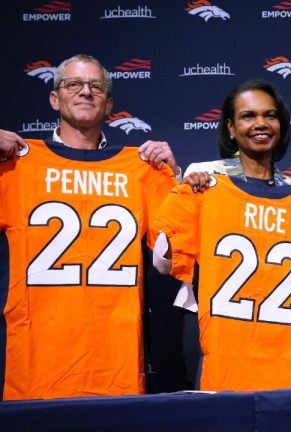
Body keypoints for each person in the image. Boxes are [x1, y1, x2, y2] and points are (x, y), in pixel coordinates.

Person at [0, 54, 179, 400]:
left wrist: (177, 178)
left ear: (109, 104)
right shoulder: (17, 165)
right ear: (55, 98)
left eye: (96, 87)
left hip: (114, 364)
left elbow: (170, 257)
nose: (85, 92)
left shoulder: (142, 169)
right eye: (73, 84)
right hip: (35, 361)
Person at [152, 79, 291, 391]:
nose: (261, 123)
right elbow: (163, 261)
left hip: (279, 335)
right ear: (230, 128)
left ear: (281, 127)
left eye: (270, 115)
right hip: (214, 332)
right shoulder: (205, 180)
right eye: (248, 116)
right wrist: (187, 194)